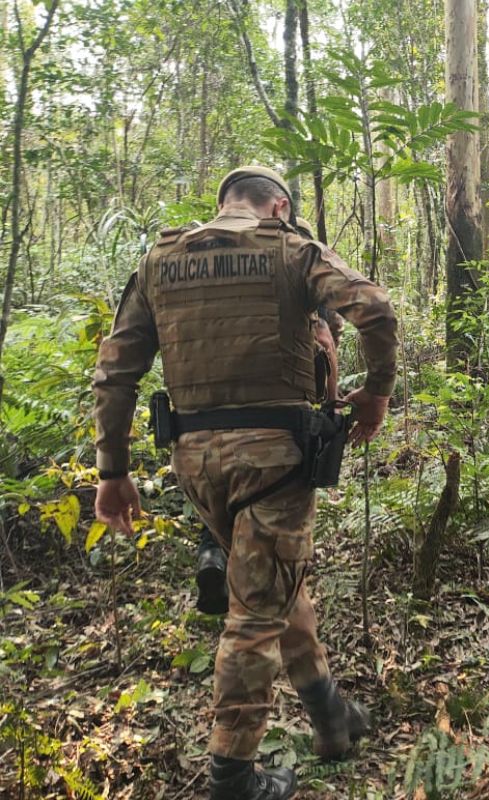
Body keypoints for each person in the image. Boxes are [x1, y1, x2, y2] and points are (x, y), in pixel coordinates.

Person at [92, 166, 397, 800]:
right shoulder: (290, 250)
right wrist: (376, 396)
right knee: (255, 614)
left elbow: (115, 373)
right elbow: (375, 309)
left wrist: (112, 472)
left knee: (275, 580)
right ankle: (233, 774)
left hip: (196, 461)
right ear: (278, 205)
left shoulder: (162, 260)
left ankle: (330, 716)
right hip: (274, 461)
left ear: (225, 204)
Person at [193, 217, 339, 617]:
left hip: (211, 421)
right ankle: (253, 600)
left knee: (226, 497)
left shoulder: (235, 277)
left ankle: (213, 555)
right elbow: (326, 345)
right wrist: (331, 407)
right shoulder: (307, 275)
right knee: (267, 522)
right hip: (281, 424)